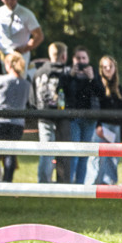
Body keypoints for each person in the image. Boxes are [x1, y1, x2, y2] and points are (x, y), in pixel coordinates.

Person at [0, 52, 30, 182]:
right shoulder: (26, 84)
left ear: (8, 65)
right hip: (17, 122)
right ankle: (7, 182)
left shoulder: (0, 80)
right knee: (10, 153)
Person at [30, 42, 72, 183]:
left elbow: (32, 99)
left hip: (43, 115)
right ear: (64, 56)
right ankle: (63, 182)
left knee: (46, 151)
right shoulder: (67, 72)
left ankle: (43, 182)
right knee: (63, 151)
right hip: (63, 116)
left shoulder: (39, 72)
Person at [85, 55, 122, 185]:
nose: (108, 69)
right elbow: (95, 106)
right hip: (102, 127)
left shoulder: (118, 88)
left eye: (111, 66)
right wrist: (98, 125)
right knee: (97, 156)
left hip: (116, 127)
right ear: (101, 69)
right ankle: (93, 183)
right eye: (105, 67)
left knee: (113, 157)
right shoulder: (98, 85)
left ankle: (109, 182)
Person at [63, 46, 104, 184]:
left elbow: (101, 93)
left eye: (83, 58)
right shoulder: (68, 73)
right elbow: (62, 92)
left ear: (88, 60)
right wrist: (71, 77)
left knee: (85, 153)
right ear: (73, 59)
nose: (81, 61)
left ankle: (80, 184)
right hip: (73, 118)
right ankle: (70, 183)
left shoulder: (93, 73)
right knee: (74, 152)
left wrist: (92, 78)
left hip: (90, 118)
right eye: (78, 58)